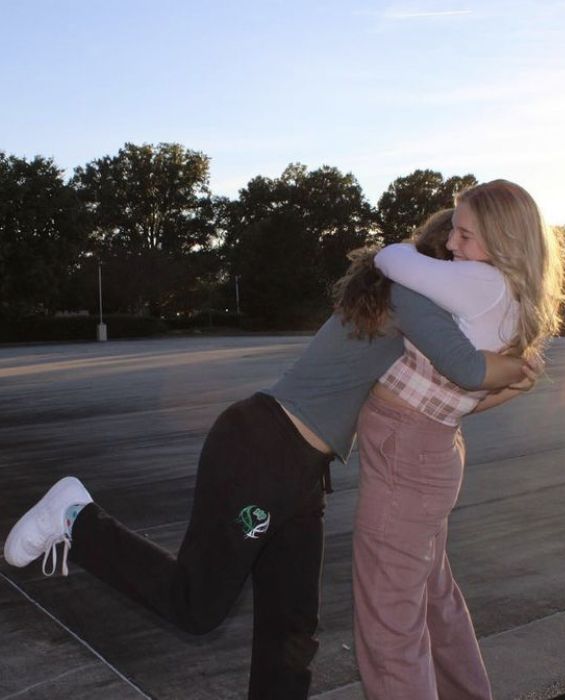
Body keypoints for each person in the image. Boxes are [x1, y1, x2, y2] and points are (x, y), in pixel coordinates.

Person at [3, 269, 531, 698]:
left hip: (301, 472)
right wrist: (522, 361)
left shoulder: (417, 321)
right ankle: (76, 516)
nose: (465, 258)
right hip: (262, 450)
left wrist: (516, 378)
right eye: (458, 244)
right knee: (196, 605)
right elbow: (468, 367)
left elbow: (446, 401)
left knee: (291, 630)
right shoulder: (409, 292)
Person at [342, 180, 565, 700]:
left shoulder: (481, 282)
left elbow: (392, 262)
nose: (450, 245)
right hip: (429, 446)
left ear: (502, 241)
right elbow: (468, 398)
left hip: (408, 455)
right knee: (431, 598)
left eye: (464, 234)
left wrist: (402, 250)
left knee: (389, 621)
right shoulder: (510, 292)